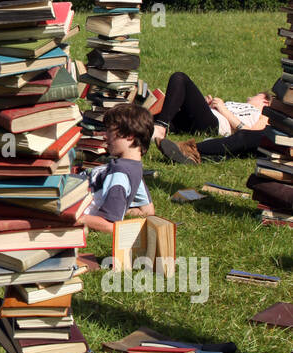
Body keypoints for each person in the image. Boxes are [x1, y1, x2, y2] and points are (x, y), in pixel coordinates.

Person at [152, 72, 270, 163]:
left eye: (255, 96)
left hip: (215, 124)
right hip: (207, 116)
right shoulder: (241, 105)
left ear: (265, 101)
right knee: (150, 119)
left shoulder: (265, 115)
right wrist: (205, 105)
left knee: (180, 78)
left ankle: (161, 127)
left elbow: (249, 135)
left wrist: (223, 109)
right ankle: (147, 123)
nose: (249, 97)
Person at [82, 102, 155, 235]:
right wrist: (121, 209)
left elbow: (111, 226)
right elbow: (147, 211)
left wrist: (70, 218)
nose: (105, 136)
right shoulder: (134, 168)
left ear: (129, 135)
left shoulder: (120, 172)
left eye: (110, 131)